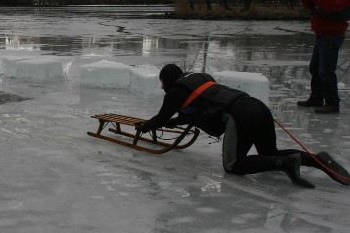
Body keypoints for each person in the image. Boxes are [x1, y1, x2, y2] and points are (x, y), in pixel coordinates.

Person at [135, 64, 350, 189]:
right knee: (268, 152)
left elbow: (161, 118)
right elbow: (198, 108)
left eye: (162, 82)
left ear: (167, 80)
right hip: (256, 106)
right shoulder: (199, 77)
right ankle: (316, 159)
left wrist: (145, 127)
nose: (162, 87)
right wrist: (176, 121)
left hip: (239, 116)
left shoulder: (174, 92)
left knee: (233, 165)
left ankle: (285, 163)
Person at [297, 0, 350, 114]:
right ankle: (316, 98)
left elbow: (329, 6)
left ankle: (332, 103)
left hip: (332, 35)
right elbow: (313, 6)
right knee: (315, 68)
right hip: (322, 34)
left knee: (326, 70)